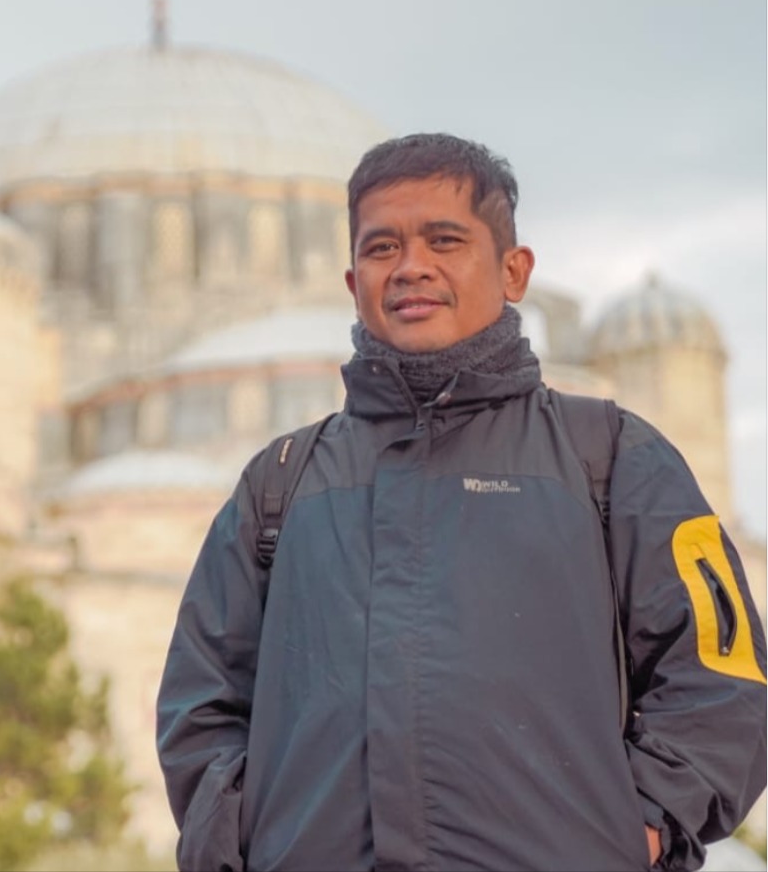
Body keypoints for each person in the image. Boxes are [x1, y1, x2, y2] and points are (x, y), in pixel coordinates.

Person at [155, 133, 767, 872]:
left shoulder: (610, 458)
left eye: (443, 239)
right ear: (353, 281)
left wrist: (633, 829)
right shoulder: (282, 482)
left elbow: (721, 673)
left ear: (514, 269)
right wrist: (241, 845)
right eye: (382, 248)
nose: (411, 266)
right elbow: (200, 701)